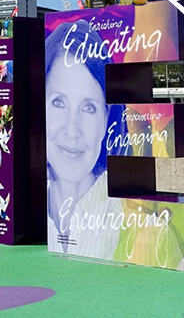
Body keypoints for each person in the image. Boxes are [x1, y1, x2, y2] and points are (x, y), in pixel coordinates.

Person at [44, 19, 121, 257]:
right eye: (58, 102)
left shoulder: (148, 229)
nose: (71, 129)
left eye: (88, 107)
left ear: (106, 118)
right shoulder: (22, 211)